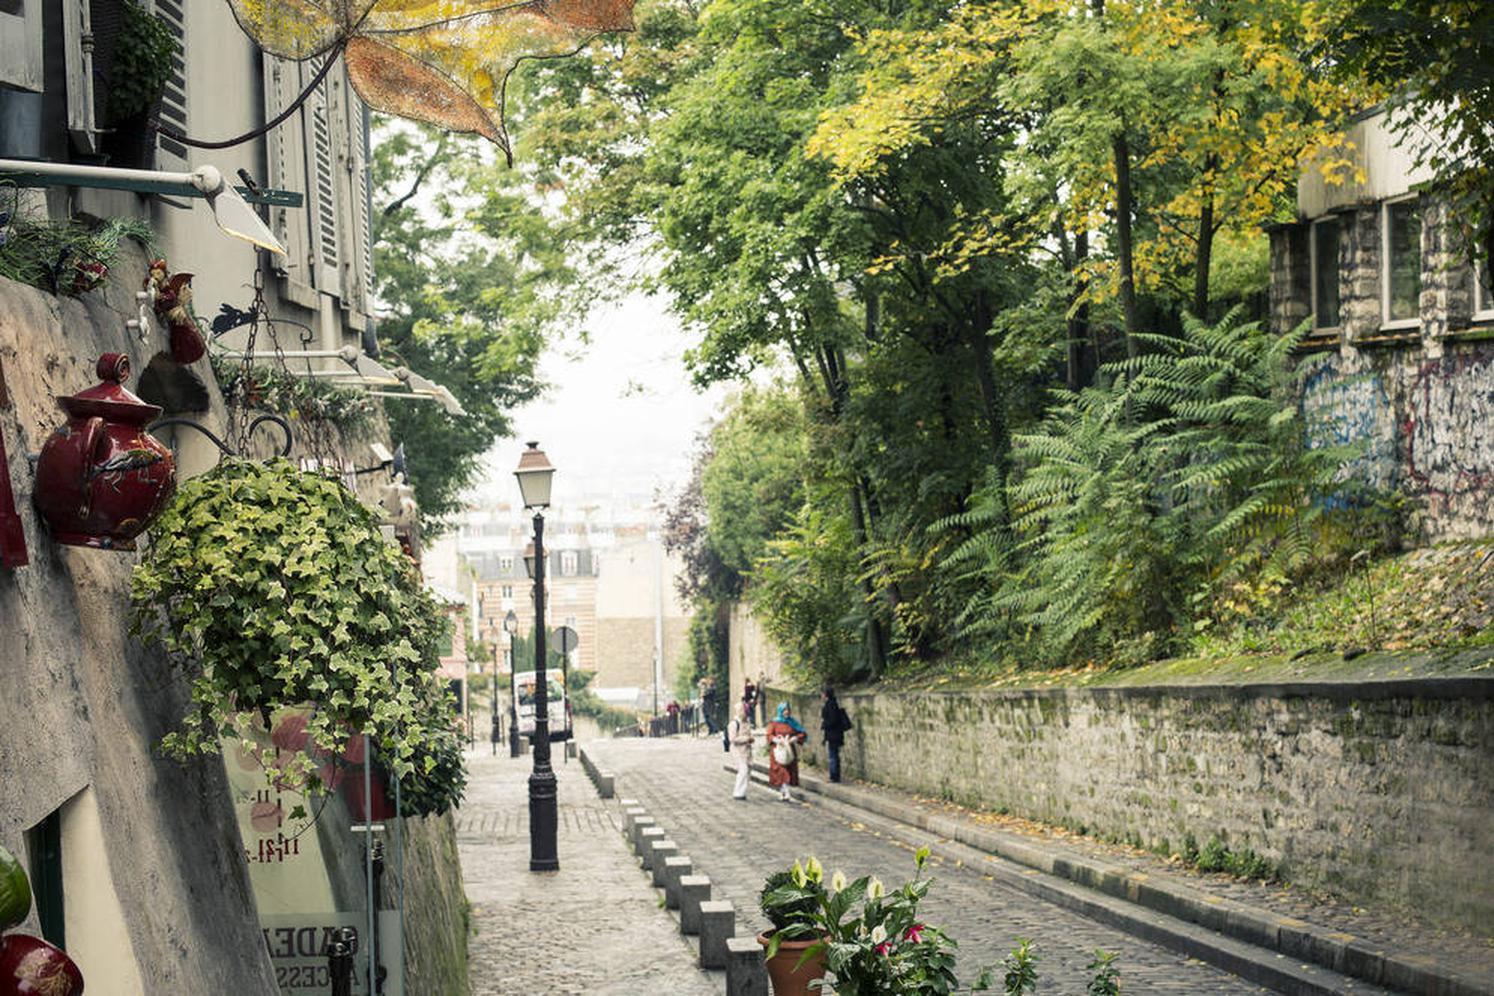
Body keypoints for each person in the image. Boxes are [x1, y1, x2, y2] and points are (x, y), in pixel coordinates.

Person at [765, 702, 808, 802]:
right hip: (778, 751)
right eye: (784, 710)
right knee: (781, 771)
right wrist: (777, 740)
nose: (786, 712)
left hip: (789, 750)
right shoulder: (774, 723)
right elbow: (769, 735)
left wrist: (795, 738)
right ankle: (785, 791)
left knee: (788, 770)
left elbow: (802, 733)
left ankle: (784, 791)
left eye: (788, 710)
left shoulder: (792, 722)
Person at [820, 685, 852, 783]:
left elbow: (832, 720)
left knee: (833, 755)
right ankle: (834, 775)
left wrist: (824, 724)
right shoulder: (833, 703)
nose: (821, 696)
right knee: (834, 755)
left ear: (826, 694)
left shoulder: (831, 705)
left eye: (822, 693)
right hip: (834, 734)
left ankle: (834, 776)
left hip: (833, 734)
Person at [728, 700, 755, 800]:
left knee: (747, 771)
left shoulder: (746, 723)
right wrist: (746, 739)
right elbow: (733, 739)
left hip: (746, 750)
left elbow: (748, 734)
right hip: (737, 751)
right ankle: (737, 792)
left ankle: (742, 792)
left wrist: (750, 738)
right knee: (743, 770)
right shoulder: (734, 724)